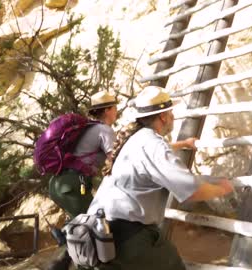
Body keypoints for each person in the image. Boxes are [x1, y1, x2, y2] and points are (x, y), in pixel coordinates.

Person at [87, 85, 234, 270]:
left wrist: (183, 144)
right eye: (171, 112)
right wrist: (223, 188)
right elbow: (191, 190)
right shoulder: (153, 145)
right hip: (127, 235)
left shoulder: (134, 139)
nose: (173, 117)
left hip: (99, 231)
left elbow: (154, 154)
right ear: (163, 116)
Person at [47, 90, 118, 270]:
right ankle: (77, 262)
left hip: (60, 184)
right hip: (73, 185)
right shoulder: (104, 130)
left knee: (80, 226)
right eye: (115, 107)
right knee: (90, 229)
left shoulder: (88, 127)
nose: (117, 111)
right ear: (108, 110)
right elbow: (116, 159)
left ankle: (62, 253)